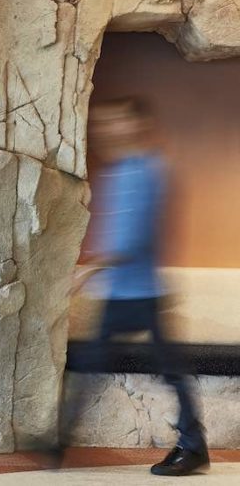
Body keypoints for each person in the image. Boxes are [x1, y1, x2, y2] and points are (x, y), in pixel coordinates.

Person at [63, 98, 208, 477]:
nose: (107, 129)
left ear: (136, 125)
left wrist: (88, 271)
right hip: (119, 293)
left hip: (145, 292)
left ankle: (193, 448)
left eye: (115, 121)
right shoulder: (118, 172)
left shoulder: (150, 171)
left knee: (170, 371)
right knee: (91, 364)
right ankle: (58, 443)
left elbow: (134, 239)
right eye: (103, 123)